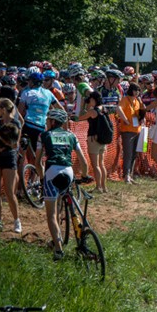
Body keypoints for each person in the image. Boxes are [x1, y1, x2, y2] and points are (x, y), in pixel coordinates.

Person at [35, 109, 90, 260]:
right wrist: (85, 175)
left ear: (52, 121)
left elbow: (37, 162)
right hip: (68, 171)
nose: (46, 123)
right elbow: (83, 161)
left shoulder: (44, 135)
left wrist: (41, 179)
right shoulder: (71, 135)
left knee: (51, 214)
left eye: (48, 121)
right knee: (65, 203)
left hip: (52, 171)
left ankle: (58, 250)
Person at [0, 100, 22, 233]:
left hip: (8, 158)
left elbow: (14, 144)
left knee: (9, 192)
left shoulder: (15, 123)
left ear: (4, 109)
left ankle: (17, 221)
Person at [77, 91, 109, 193]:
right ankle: (104, 187)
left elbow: (80, 118)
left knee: (96, 165)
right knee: (101, 164)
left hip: (93, 140)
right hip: (102, 140)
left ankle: (98, 187)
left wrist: (82, 105)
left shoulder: (92, 112)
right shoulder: (103, 109)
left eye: (90, 99)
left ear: (93, 99)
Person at [116, 82, 143, 184]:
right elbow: (118, 109)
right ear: (131, 90)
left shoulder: (137, 101)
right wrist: (126, 120)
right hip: (127, 131)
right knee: (128, 153)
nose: (137, 92)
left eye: (139, 91)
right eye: (136, 90)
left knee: (134, 154)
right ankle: (126, 175)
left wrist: (141, 118)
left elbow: (141, 113)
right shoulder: (125, 99)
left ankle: (130, 174)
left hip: (137, 130)